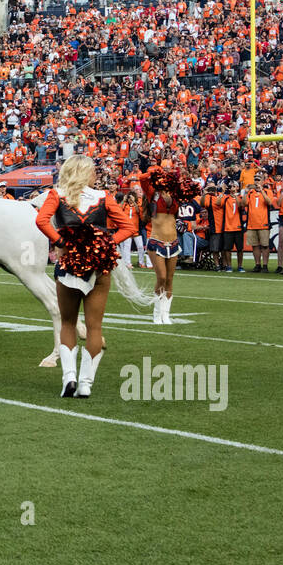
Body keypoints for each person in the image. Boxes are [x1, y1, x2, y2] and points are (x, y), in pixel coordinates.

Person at [35, 154, 138, 398]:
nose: (96, 175)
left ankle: (68, 378)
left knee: (68, 323)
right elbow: (130, 227)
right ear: (84, 172)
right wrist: (106, 243)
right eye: (92, 171)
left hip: (69, 264)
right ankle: (85, 384)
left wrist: (61, 241)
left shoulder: (56, 195)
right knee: (94, 328)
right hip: (98, 266)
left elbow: (41, 220)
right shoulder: (104, 197)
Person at [138, 158, 185, 324]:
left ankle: (166, 314)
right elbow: (142, 178)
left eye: (168, 171)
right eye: (164, 172)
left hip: (173, 242)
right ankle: (157, 313)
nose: (166, 175)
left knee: (170, 279)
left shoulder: (175, 193)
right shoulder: (153, 193)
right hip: (156, 241)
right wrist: (154, 172)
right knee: (162, 278)